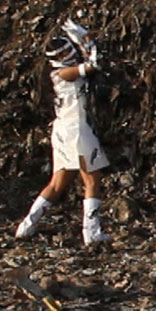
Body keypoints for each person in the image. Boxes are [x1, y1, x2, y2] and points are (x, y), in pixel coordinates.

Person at [14, 19, 113, 246]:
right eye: (66, 51)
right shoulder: (64, 73)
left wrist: (83, 40)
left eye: (70, 48)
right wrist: (84, 38)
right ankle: (92, 232)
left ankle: (26, 226)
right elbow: (95, 63)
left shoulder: (60, 73)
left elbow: (91, 60)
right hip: (76, 129)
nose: (70, 53)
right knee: (92, 179)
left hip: (62, 130)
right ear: (57, 58)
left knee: (58, 183)